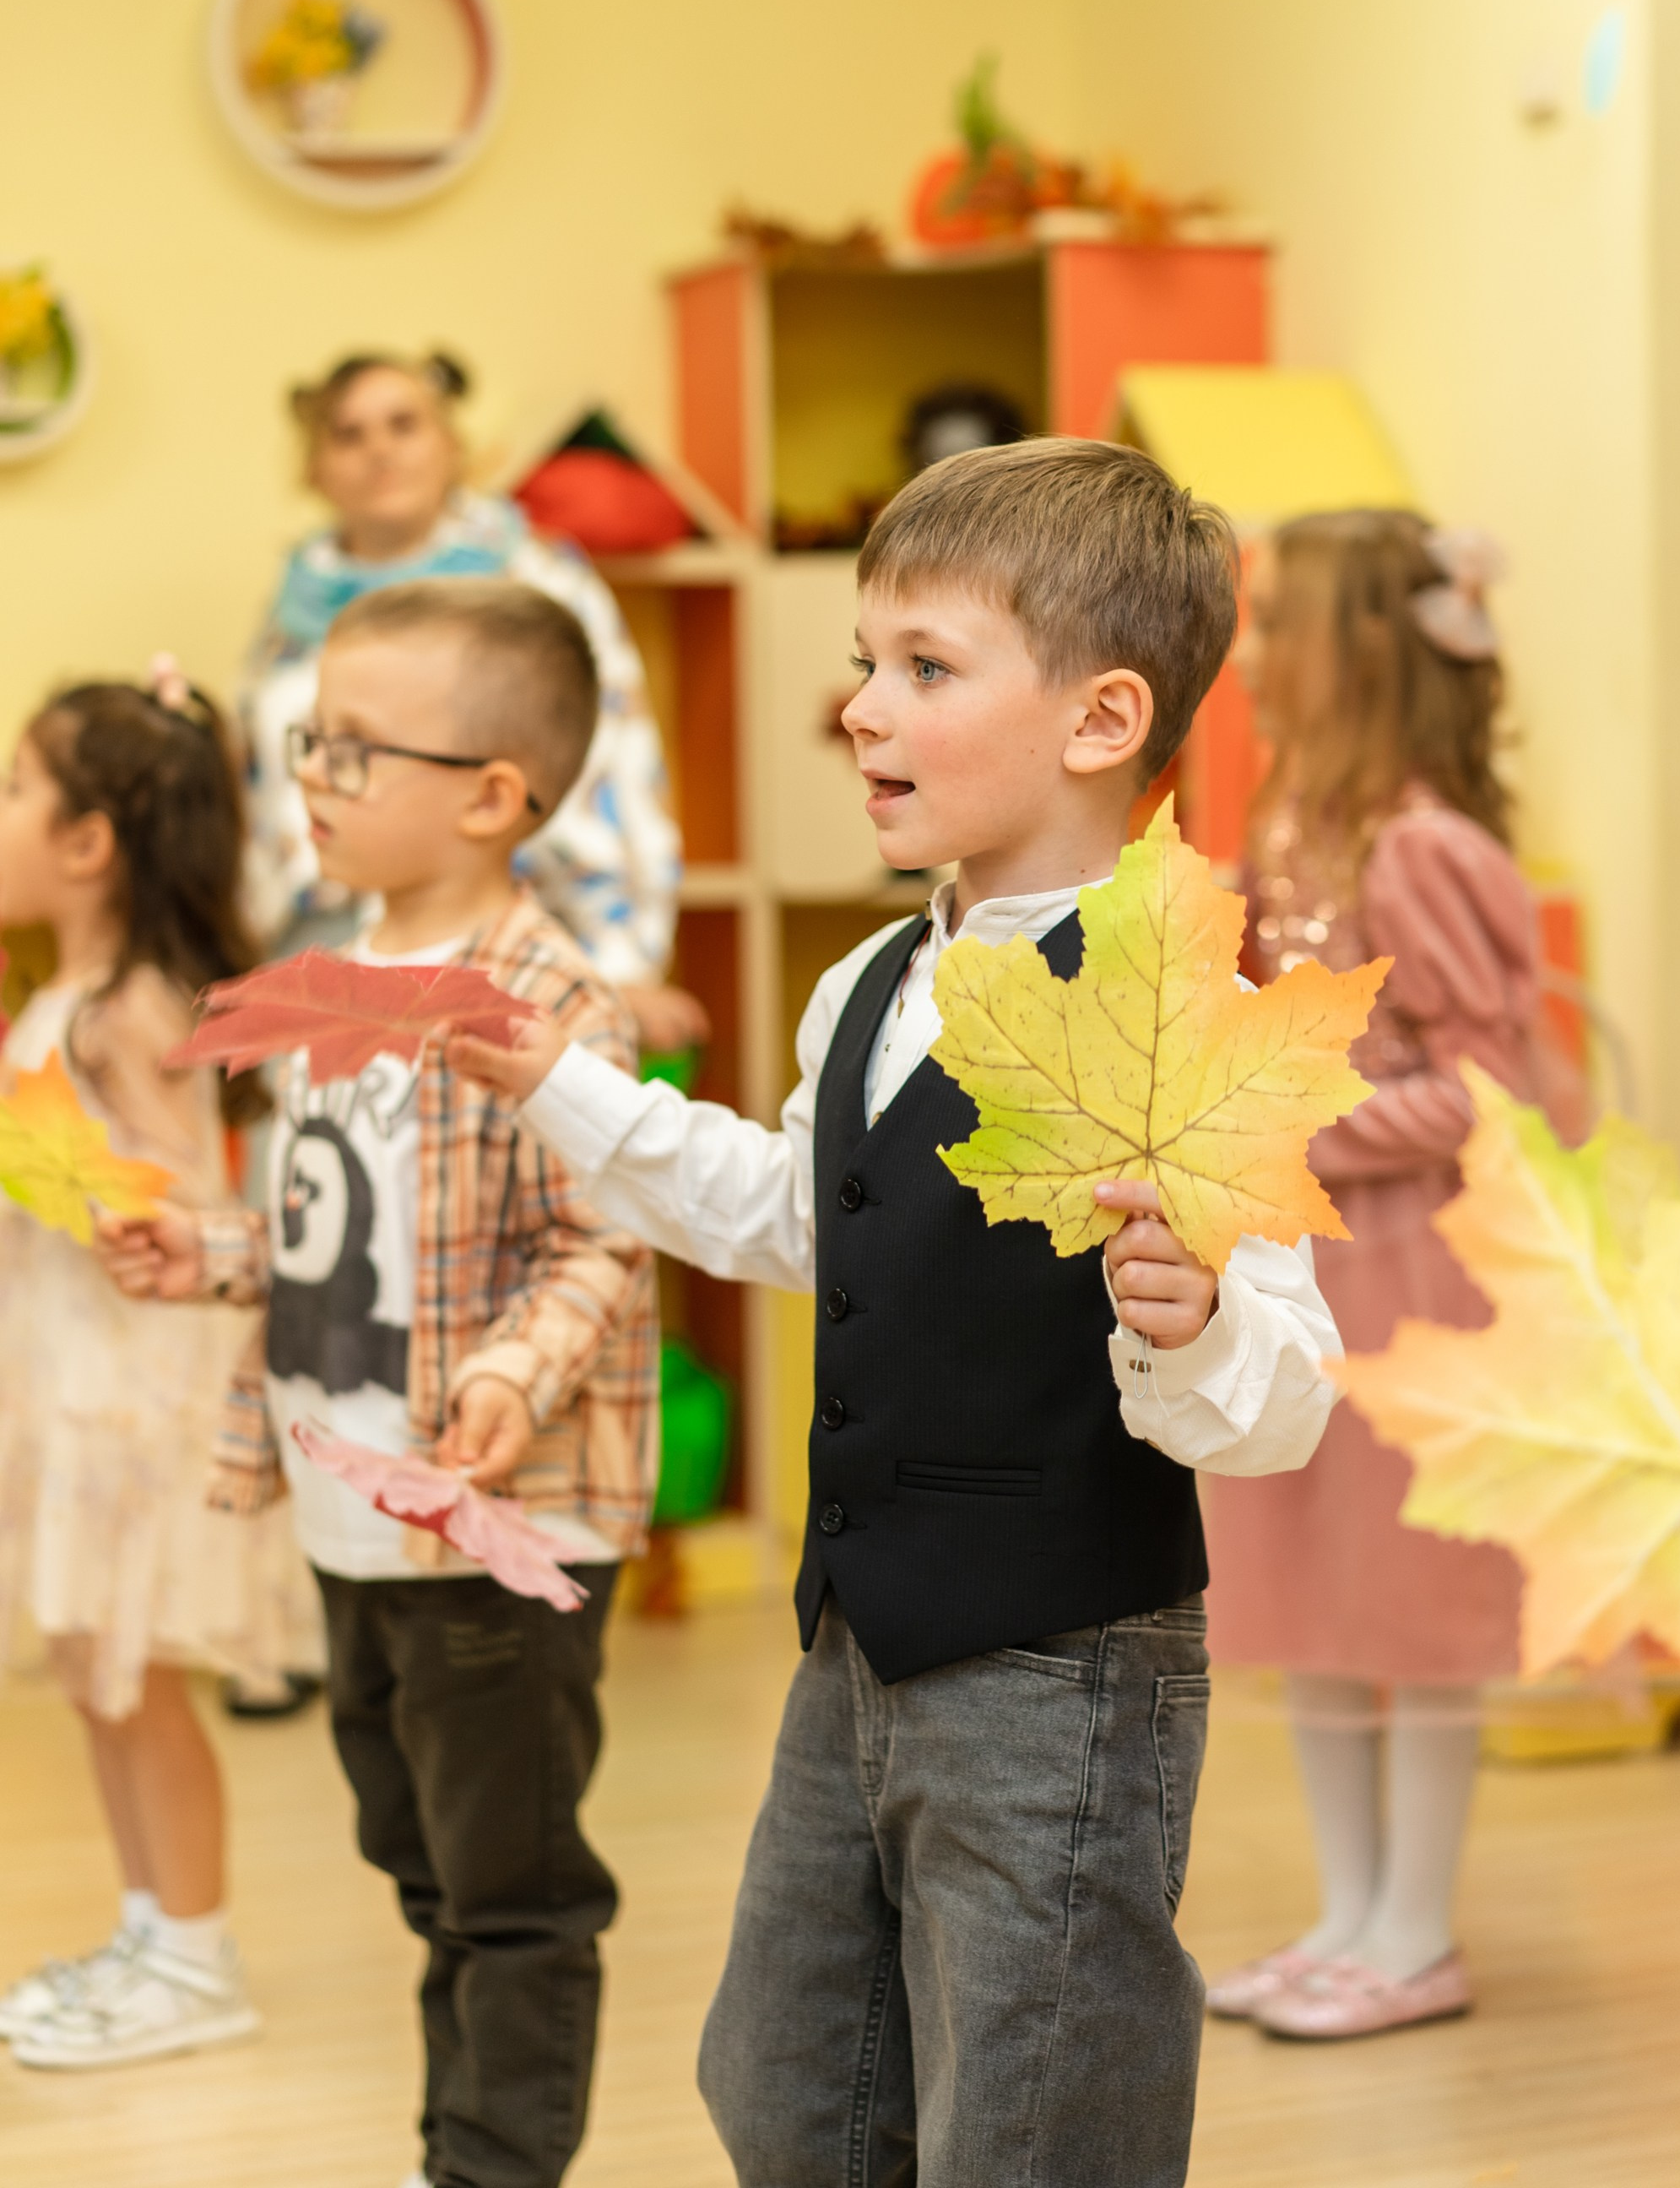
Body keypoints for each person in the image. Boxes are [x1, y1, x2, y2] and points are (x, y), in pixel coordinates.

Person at [448, 439, 1345, 2188]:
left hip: (1060, 1676)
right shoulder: (869, 981)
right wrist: (561, 1082)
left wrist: (1189, 1315)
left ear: (1100, 722)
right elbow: (794, 1215)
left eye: (923, 669)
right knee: (787, 2085)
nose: (860, 708)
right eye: (867, 661)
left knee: (1030, 2120)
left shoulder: (1182, 1010)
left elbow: (1284, 1395)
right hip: (852, 1651)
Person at [98, 581, 659, 2188]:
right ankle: (456, 2144)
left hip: (495, 1518)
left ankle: (487, 2164)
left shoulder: (548, 999)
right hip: (352, 1511)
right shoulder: (328, 981)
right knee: (413, 1854)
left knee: (512, 1890)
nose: (315, 779)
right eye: (311, 742)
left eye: (355, 750)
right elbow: (327, 1228)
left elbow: (609, 1236)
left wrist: (511, 1375)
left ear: (492, 795)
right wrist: (204, 1251)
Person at [1200, 510, 1560, 2042]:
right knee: (1314, 1594)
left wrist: (1296, 1114)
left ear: (1360, 650)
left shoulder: (1424, 850)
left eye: (1280, 624)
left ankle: (1417, 1928)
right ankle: (1350, 1914)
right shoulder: (1286, 834)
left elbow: (1496, 1088)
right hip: (1309, 1268)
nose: (1255, 655)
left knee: (1410, 1607)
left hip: (1413, 1281)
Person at [0, 669, 295, 2068]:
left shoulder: (131, 1002)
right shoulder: (67, 988)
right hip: (64, 1377)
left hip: (135, 1390)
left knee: (138, 1677)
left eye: (14, 788)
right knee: (91, 1672)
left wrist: (71, 1183)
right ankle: (142, 1929)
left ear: (89, 841)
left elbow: (178, 1199)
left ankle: (196, 1950)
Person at [242, 348, 703, 1051]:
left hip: (513, 932)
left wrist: (621, 963)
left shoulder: (540, 582)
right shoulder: (291, 611)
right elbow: (262, 798)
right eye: (349, 433)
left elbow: (620, 770)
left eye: (404, 424)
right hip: (332, 950)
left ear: (453, 444)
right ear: (315, 467)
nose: (379, 451)